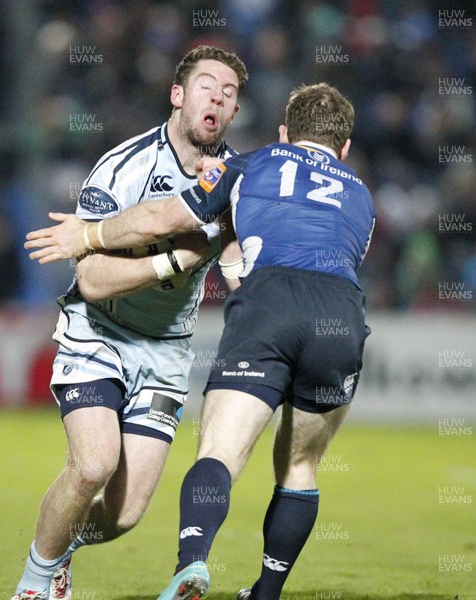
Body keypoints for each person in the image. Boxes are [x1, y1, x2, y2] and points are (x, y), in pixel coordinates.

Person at [26, 82, 376, 600]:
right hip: (340, 314)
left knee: (218, 453)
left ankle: (192, 563)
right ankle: (266, 594)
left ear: (284, 133)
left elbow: (165, 216)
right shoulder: (362, 195)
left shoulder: (251, 163)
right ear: (344, 148)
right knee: (300, 466)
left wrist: (89, 235)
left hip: (268, 303)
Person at [12, 45, 248, 600]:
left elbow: (238, 267)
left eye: (229, 93)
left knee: (124, 515)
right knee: (94, 465)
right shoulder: (124, 166)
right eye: (206, 85)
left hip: (166, 351)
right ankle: (33, 584)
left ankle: (62, 544)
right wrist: (173, 260)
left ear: (234, 112)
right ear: (178, 95)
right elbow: (91, 280)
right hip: (98, 331)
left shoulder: (237, 183)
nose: (216, 96)